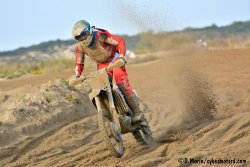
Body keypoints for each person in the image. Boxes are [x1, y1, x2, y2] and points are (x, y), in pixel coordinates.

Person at [72, 20, 143, 123]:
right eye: (79, 37)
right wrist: (77, 75)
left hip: (115, 60)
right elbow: (79, 62)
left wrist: (122, 56)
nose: (83, 38)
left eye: (84, 34)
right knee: (101, 86)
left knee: (121, 82)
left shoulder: (101, 35)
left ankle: (137, 113)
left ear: (89, 30)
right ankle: (111, 113)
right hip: (102, 65)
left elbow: (119, 42)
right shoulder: (80, 47)